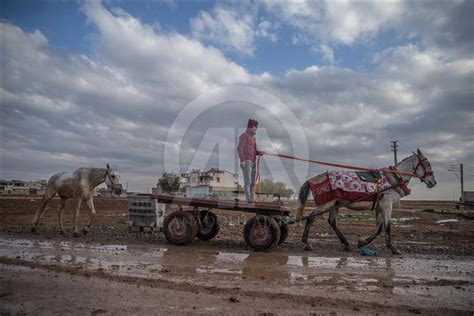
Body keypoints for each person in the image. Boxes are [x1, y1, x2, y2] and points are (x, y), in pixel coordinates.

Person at [237, 119, 264, 202]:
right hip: (247, 161)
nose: (256, 128)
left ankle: (252, 199)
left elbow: (254, 151)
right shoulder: (243, 136)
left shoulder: (253, 139)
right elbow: (240, 148)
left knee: (252, 182)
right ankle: (249, 200)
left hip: (253, 162)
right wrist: (242, 160)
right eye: (255, 126)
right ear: (251, 126)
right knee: (247, 181)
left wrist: (259, 153)